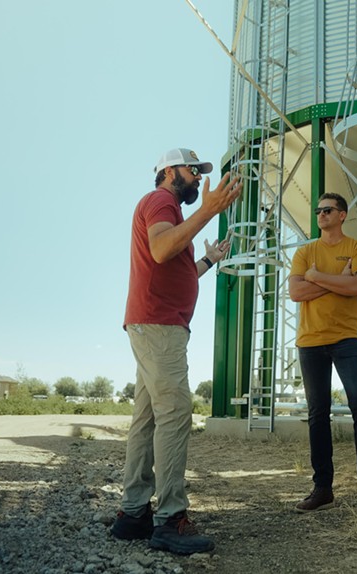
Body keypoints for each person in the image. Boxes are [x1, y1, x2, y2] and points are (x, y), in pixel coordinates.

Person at [111, 148, 241, 554]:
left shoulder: (173, 215)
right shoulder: (160, 201)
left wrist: (208, 259)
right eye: (193, 170)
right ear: (170, 171)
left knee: (148, 417)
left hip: (156, 324)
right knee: (175, 414)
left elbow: (177, 265)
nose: (200, 177)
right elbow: (161, 250)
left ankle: (133, 515)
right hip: (159, 325)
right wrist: (210, 210)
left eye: (201, 172)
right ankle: (170, 519)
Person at [288, 192, 357, 512]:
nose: (321, 215)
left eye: (327, 210)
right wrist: (333, 281)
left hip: (347, 340)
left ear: (342, 215)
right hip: (311, 341)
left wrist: (317, 277)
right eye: (318, 211)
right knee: (318, 414)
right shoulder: (306, 252)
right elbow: (296, 292)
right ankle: (322, 489)